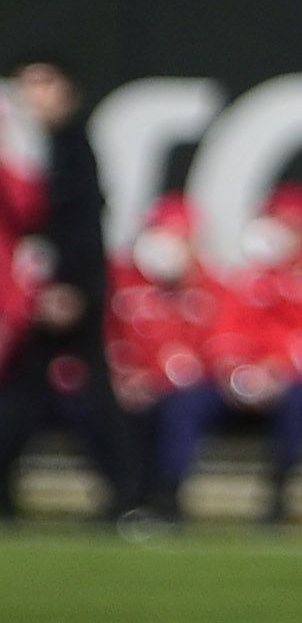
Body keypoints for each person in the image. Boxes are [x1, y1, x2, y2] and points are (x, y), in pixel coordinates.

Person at [165, 177, 302, 526]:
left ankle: (278, 495)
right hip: (244, 383)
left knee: (298, 400)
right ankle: (167, 494)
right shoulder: (249, 278)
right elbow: (223, 332)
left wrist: (278, 370)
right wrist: (236, 370)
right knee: (185, 401)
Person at [0, 52, 132, 519]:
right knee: (21, 395)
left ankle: (127, 494)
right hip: (39, 291)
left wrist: (66, 286)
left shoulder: (70, 146)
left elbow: (74, 228)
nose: (33, 94)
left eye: (43, 83)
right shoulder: (27, 146)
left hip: (71, 290)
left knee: (91, 396)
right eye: (26, 83)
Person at [103, 195, 225, 525]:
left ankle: (165, 493)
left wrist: (156, 377)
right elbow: (107, 342)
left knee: (180, 407)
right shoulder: (118, 284)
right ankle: (122, 494)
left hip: (186, 391)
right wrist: (124, 375)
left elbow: (216, 353)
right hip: (128, 386)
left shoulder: (213, 289)